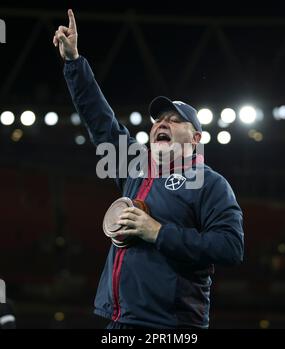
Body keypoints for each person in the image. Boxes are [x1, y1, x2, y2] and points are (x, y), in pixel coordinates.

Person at [53, 9, 244, 329]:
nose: (162, 124)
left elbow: (231, 247)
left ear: (196, 138)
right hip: (118, 321)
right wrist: (74, 62)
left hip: (169, 326)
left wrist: (156, 232)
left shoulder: (211, 184)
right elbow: (102, 123)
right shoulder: (136, 167)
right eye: (158, 120)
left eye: (174, 120)